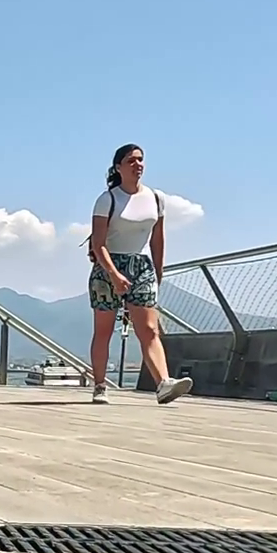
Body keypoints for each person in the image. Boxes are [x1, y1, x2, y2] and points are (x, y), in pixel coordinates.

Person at [87, 143, 192, 405]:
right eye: (131, 160)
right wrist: (113, 274)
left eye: (140, 159)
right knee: (104, 330)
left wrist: (158, 271)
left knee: (149, 329)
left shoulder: (156, 198)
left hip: (141, 265)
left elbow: (157, 239)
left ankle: (164, 384)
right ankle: (100, 385)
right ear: (118, 167)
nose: (137, 165)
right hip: (108, 266)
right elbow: (98, 244)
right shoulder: (108, 199)